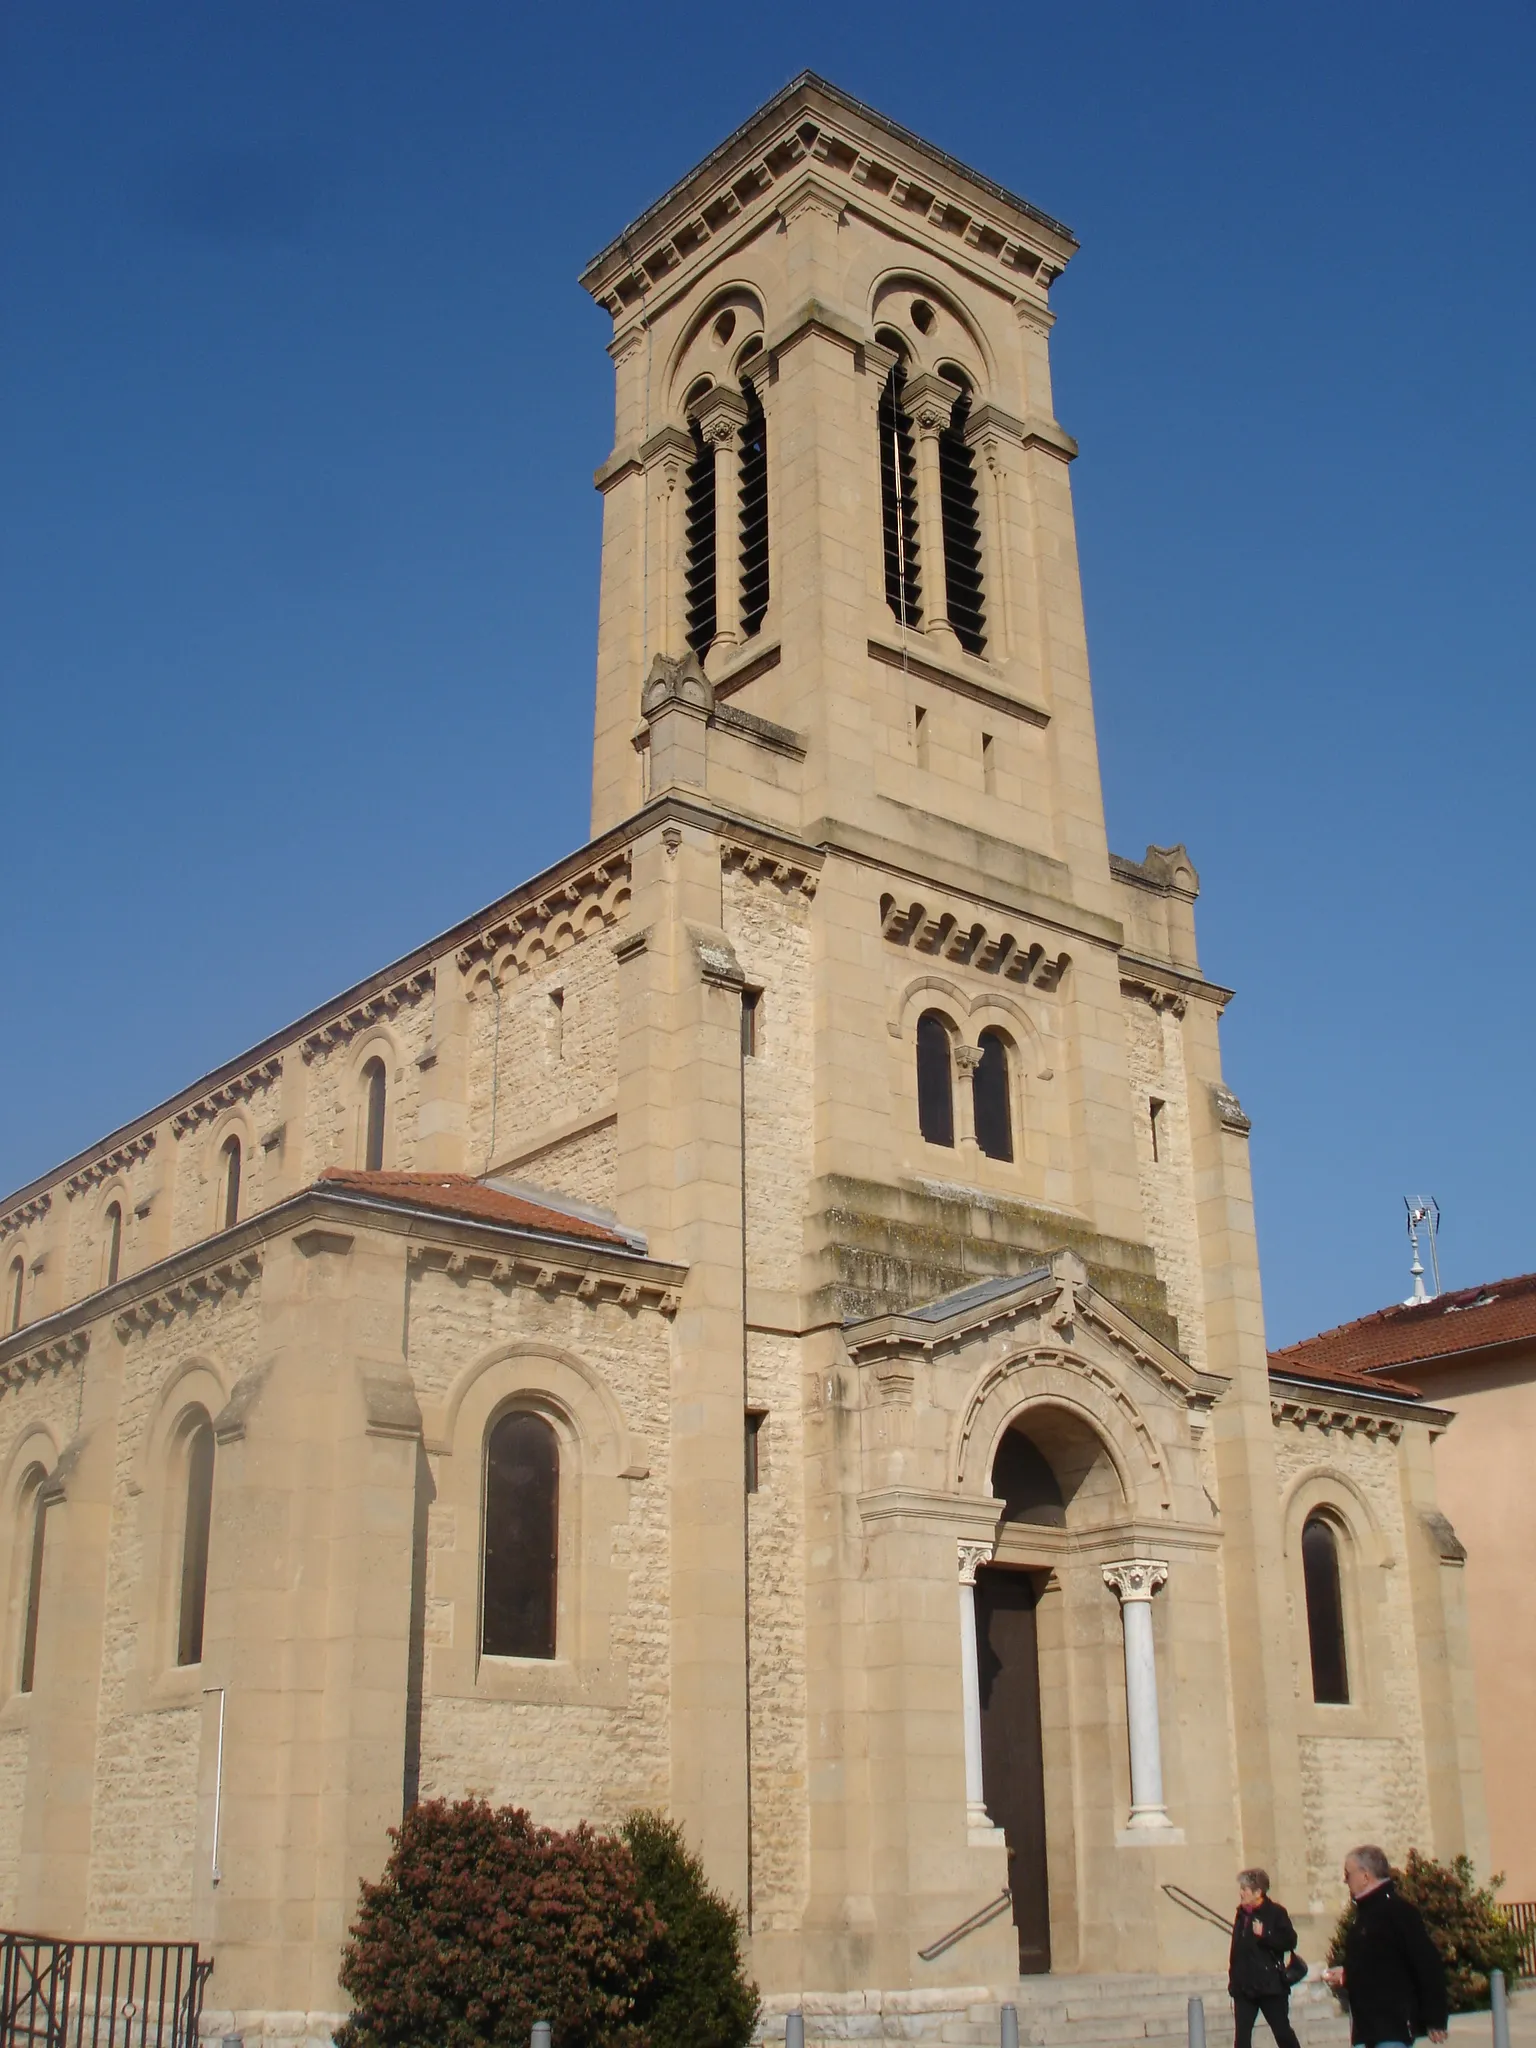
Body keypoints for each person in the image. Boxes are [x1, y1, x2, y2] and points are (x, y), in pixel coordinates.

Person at [1322, 1845, 1448, 2048]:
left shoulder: (1399, 1912)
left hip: (1392, 2028)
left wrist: (1435, 2019)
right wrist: (1346, 1975)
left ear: (1365, 1876)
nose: (1345, 1880)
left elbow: (1427, 1965)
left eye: (1348, 1874)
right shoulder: (1362, 1917)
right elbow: (1372, 1964)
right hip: (1365, 2030)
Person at [1229, 1867, 1302, 2048]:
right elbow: (1236, 1950)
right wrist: (1234, 1981)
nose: (1241, 1893)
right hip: (1245, 1988)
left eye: (1245, 1889)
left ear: (1258, 1892)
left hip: (1270, 1986)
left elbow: (1290, 1941)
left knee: (1282, 2032)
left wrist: (1266, 1935)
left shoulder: (1276, 1912)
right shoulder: (1242, 1914)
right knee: (1242, 2039)